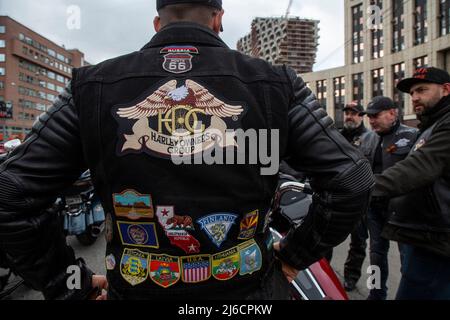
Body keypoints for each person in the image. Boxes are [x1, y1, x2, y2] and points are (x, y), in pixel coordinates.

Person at [0, 0, 374, 300]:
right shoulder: (274, 81)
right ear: (218, 19)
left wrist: (69, 286)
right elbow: (352, 180)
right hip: (246, 292)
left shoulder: (92, 85)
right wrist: (295, 255)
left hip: (139, 287)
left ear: (157, 23)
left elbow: (10, 192)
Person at [373, 67, 450, 300]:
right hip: (422, 232)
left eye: (422, 90)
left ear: (446, 89)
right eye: (412, 93)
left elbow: (418, 168)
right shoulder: (431, 126)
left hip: (437, 239)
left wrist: (360, 188)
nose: (415, 97)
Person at [365, 96, 418, 300]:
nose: (372, 121)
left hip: (402, 210)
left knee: (407, 258)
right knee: (376, 255)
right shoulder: (368, 138)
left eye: (376, 116)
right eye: (369, 117)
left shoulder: (412, 135)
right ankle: (375, 293)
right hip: (374, 208)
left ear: (392, 113)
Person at [337, 102, 378, 292]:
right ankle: (325, 271)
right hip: (336, 195)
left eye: (353, 113)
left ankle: (351, 277)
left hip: (360, 198)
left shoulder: (371, 138)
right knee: (325, 235)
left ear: (361, 116)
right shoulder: (336, 135)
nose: (349, 116)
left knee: (358, 241)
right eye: (347, 113)